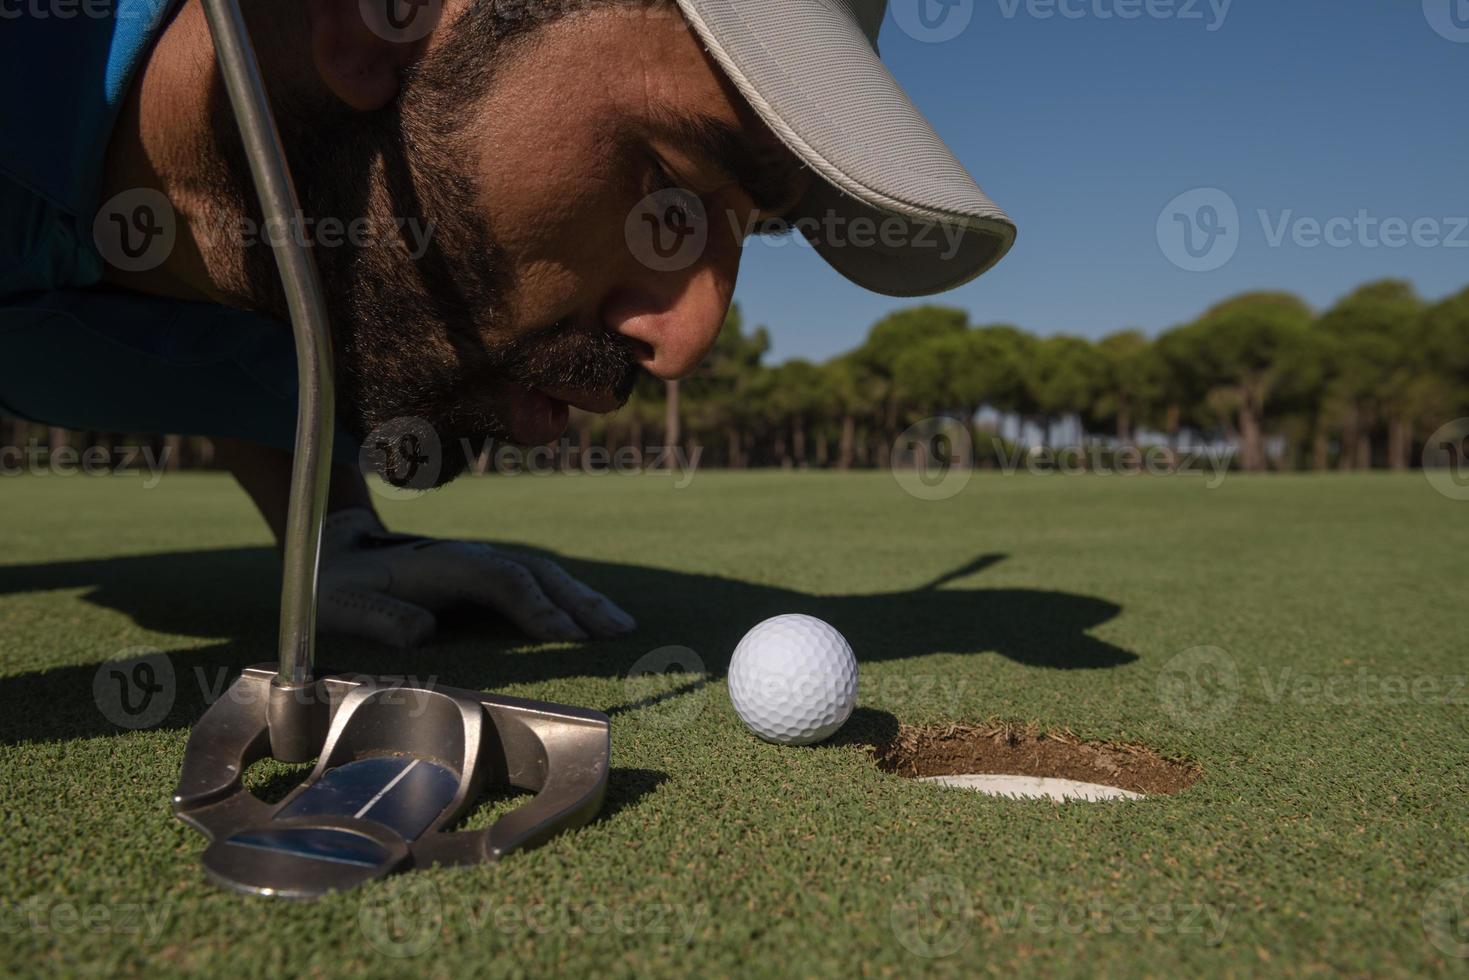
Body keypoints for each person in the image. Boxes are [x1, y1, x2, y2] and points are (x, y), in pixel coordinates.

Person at [0, 0, 1015, 648]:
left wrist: (331, 532)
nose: (689, 340)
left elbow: (250, 361)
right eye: (667, 183)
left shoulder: (329, 273)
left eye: (749, 233)